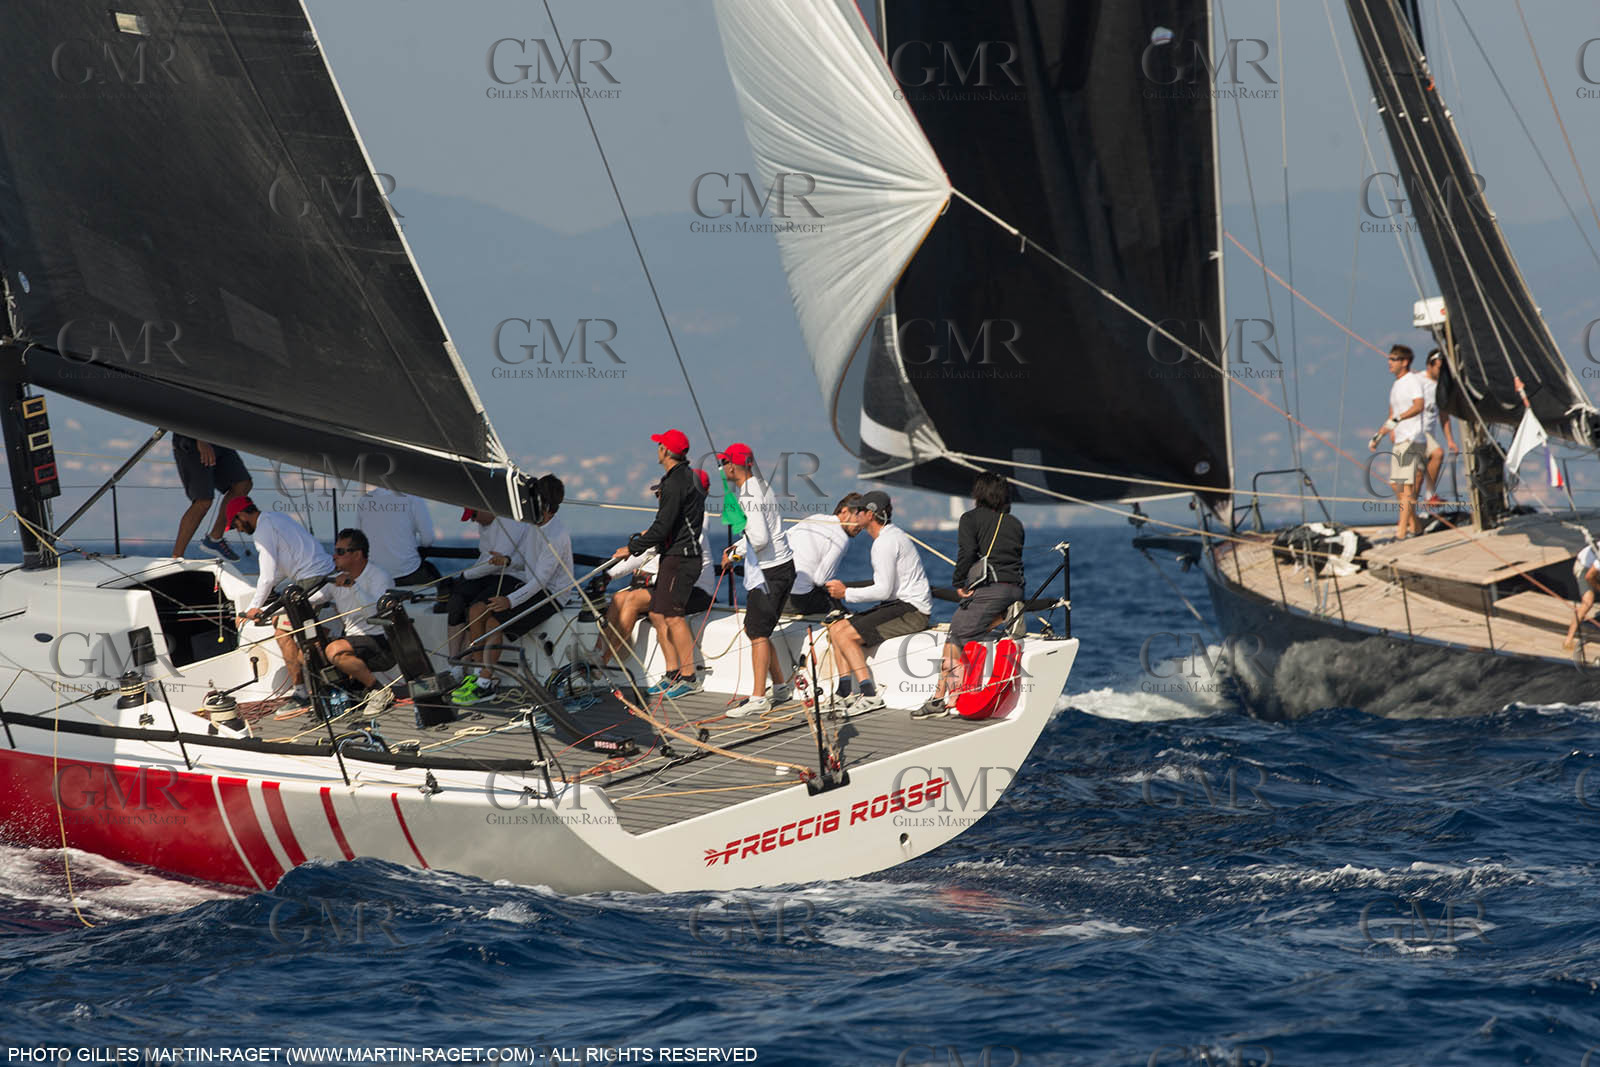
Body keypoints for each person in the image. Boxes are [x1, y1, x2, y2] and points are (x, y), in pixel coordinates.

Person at [453, 476, 574, 705]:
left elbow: (539, 582)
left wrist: (509, 601)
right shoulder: (533, 526)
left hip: (552, 594)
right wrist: (508, 561)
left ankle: (485, 685)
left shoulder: (557, 536)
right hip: (530, 584)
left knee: (493, 623)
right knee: (477, 610)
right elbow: (526, 563)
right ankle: (479, 674)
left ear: (545, 504)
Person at [582, 471, 717, 673]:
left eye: (663, 494)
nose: (660, 498)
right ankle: (598, 654)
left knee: (633, 599)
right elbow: (644, 551)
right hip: (672, 583)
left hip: (694, 590)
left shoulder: (692, 524)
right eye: (659, 494)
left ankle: (601, 662)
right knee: (619, 597)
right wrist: (610, 575)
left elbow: (682, 567)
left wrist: (651, 577)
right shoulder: (674, 519)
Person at [916, 472, 1026, 718]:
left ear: (979, 492)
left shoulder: (970, 518)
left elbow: (967, 553)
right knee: (966, 629)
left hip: (991, 590)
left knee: (956, 634)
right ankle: (950, 694)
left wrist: (958, 582)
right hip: (1016, 588)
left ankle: (941, 699)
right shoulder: (1014, 523)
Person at [613, 429, 705, 700]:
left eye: (659, 445)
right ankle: (674, 673)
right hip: (675, 556)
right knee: (660, 613)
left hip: (681, 558)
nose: (657, 449)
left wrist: (632, 549)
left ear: (665, 450)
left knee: (674, 616)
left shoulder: (676, 482)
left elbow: (663, 525)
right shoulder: (683, 478)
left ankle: (689, 678)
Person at [823, 490, 932, 716]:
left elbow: (883, 589)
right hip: (899, 605)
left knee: (844, 634)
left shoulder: (884, 542)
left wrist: (845, 592)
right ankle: (845, 693)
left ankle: (870, 695)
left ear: (870, 514)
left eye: (860, 510)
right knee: (835, 629)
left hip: (912, 611)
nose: (856, 514)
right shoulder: (889, 537)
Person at [226, 497, 334, 699]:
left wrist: (254, 607)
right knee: (301, 631)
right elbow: (283, 569)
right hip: (324, 577)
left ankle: (301, 693)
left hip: (312, 582)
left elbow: (266, 577)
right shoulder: (275, 518)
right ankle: (324, 664)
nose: (237, 530)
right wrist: (259, 600)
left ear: (242, 515)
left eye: (235, 524)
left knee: (281, 631)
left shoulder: (262, 532)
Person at [717, 443, 795, 717]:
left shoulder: (748, 494)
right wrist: (738, 549)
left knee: (757, 632)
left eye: (723, 462)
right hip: (779, 569)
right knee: (758, 629)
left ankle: (759, 698)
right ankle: (782, 686)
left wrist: (736, 553)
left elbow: (759, 539)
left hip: (771, 572)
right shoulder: (758, 486)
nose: (721, 468)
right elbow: (758, 533)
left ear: (732, 465)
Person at [312, 529, 398, 714]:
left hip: (380, 641)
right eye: (334, 551)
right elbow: (313, 598)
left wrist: (353, 586)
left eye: (341, 552)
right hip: (354, 639)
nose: (334, 556)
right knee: (312, 646)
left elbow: (374, 612)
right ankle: (341, 695)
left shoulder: (379, 577)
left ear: (358, 554)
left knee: (335, 650)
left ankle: (379, 691)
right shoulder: (336, 578)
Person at [444, 507, 530, 664]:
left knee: (476, 608)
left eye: (474, 515)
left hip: (512, 576)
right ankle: (454, 662)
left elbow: (495, 562)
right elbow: (485, 557)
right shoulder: (484, 525)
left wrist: (466, 575)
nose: (473, 520)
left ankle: (473, 665)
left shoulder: (509, 521)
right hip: (491, 576)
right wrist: (465, 579)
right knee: (456, 600)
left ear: (485, 507)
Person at [1370, 345, 1425, 540]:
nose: (1389, 362)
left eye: (1394, 359)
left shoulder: (1413, 381)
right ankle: (1415, 524)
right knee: (1396, 484)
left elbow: (1419, 405)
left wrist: (1400, 419)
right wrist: (1380, 435)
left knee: (1405, 485)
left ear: (1405, 361)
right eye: (1389, 359)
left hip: (1413, 437)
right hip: (1400, 438)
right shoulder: (1396, 385)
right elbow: (1392, 415)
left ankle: (1402, 531)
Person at [171, 434, 252, 560]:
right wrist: (200, 439)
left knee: (242, 484)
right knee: (203, 501)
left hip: (217, 436)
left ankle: (215, 538)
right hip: (192, 438)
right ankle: (176, 557)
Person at [783, 493, 863, 616]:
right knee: (834, 602)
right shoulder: (841, 538)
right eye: (858, 517)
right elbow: (821, 580)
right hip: (795, 601)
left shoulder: (815, 517)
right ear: (844, 511)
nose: (861, 525)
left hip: (776, 595)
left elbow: (786, 536)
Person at [355, 486, 440, 585]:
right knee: (440, 583)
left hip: (374, 576)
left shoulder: (364, 500)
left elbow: (358, 540)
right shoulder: (414, 498)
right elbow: (428, 539)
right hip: (408, 571)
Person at [1419, 350, 1457, 507]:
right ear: (1429, 365)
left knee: (1430, 463)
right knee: (1437, 454)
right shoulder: (1417, 381)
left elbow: (1444, 415)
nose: (1441, 372)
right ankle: (1426, 498)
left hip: (1428, 434)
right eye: (1439, 368)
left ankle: (1428, 497)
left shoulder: (1440, 387)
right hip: (1414, 432)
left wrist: (1450, 440)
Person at [1566, 540, 1600, 650]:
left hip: (1594, 568)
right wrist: (1598, 588)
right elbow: (1589, 576)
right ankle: (1569, 639)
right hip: (1584, 569)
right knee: (1588, 602)